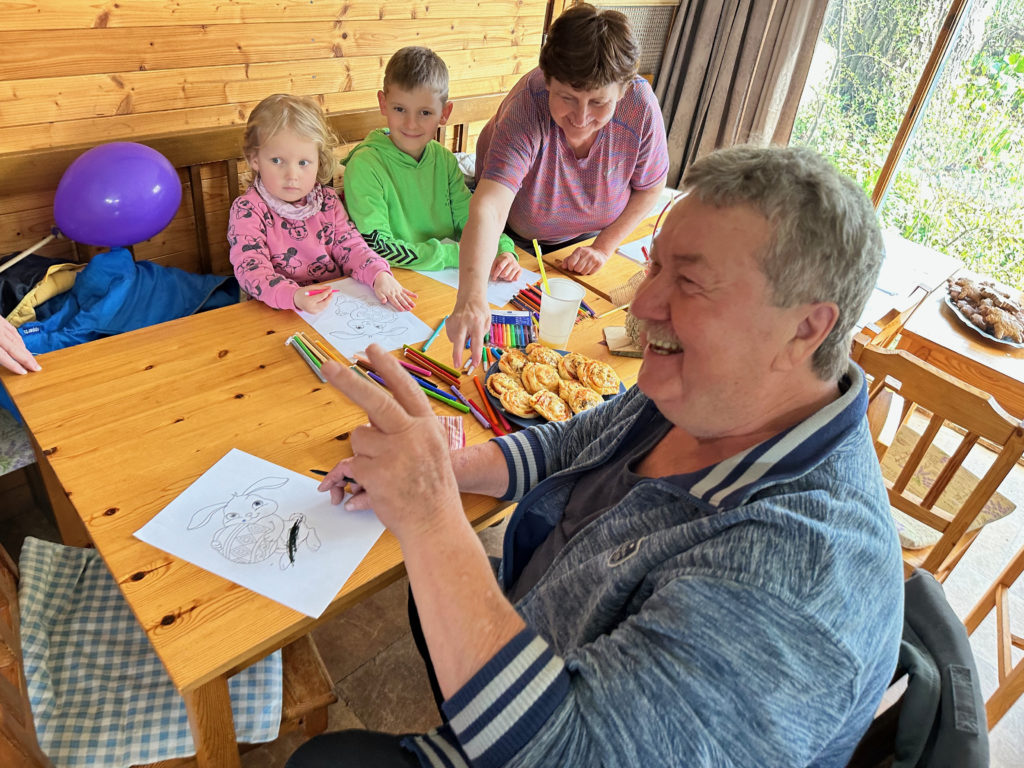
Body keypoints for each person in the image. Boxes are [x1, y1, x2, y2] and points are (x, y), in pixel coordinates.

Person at [286, 145, 904, 768]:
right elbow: (566, 444)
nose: (642, 306)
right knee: (433, 593)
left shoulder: (798, 586)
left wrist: (430, 515)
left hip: (554, 738)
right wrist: (437, 472)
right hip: (544, 627)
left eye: (690, 283)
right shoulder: (709, 395)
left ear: (805, 329)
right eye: (654, 266)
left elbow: (571, 753)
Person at [448, 3, 669, 367]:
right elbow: (489, 206)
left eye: (598, 102)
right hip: (520, 247)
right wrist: (471, 298)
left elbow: (650, 187)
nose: (581, 118)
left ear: (623, 91)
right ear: (547, 80)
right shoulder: (527, 104)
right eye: (567, 98)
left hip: (590, 245)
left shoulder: (640, 106)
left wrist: (604, 247)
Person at [342, 47, 521, 280]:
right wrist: (460, 254)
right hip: (392, 282)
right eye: (399, 109)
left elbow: (471, 218)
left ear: (444, 113)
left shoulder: (444, 160)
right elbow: (378, 246)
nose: (411, 124)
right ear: (383, 103)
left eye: (425, 113)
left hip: (446, 279)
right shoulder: (364, 166)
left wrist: (502, 249)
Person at [229, 94, 417, 314]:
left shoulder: (327, 201)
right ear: (254, 159)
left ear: (319, 161)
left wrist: (379, 275)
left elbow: (351, 246)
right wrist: (294, 296)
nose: (292, 175)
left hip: (331, 307)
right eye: (277, 161)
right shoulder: (248, 210)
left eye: (303, 162)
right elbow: (251, 270)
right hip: (274, 312)